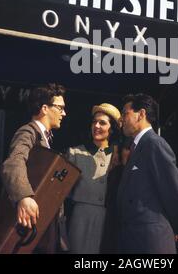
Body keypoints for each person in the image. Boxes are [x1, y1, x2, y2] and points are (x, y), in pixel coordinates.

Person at [117, 93, 178, 254]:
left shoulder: (154, 144)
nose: (121, 119)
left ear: (141, 114)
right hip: (135, 239)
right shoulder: (137, 146)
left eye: (125, 113)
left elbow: (175, 191)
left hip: (150, 242)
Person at [1, 83, 66, 253]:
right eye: (60, 108)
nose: (64, 113)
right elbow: (13, 163)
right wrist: (24, 197)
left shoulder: (45, 137)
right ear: (45, 108)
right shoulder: (28, 132)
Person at [66, 103, 121, 254]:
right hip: (80, 218)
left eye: (102, 123)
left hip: (108, 221)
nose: (96, 126)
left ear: (113, 128)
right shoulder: (74, 153)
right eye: (94, 122)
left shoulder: (120, 157)